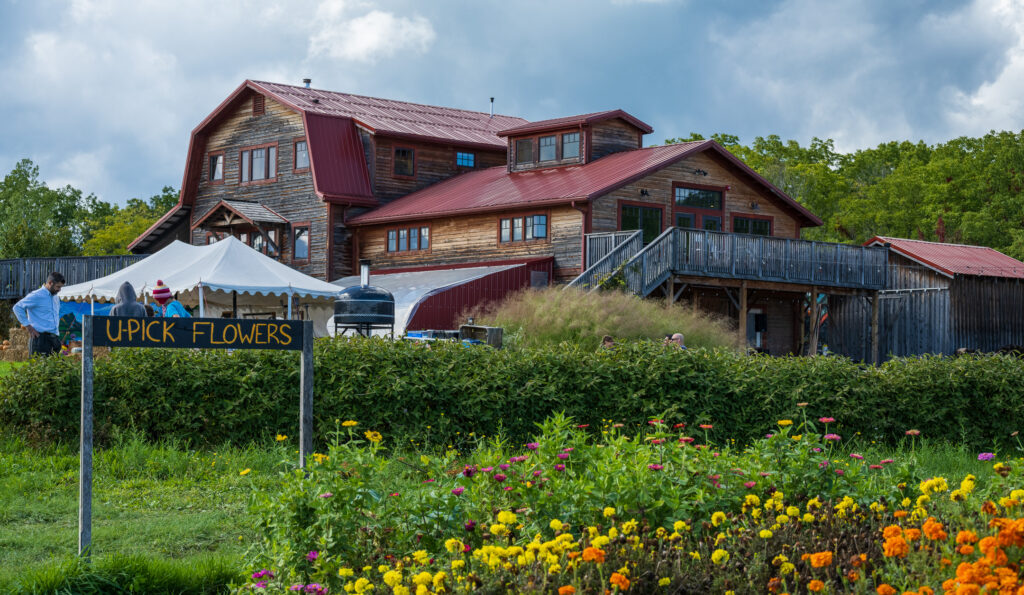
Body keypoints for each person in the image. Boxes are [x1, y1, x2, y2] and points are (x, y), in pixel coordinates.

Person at [13, 271, 65, 357]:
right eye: (58, 287)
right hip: (40, 339)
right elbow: (17, 307)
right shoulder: (36, 295)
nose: (59, 290)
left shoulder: (55, 297)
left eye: (61, 287)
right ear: (50, 283)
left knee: (55, 369)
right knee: (38, 368)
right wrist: (28, 326)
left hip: (54, 339)